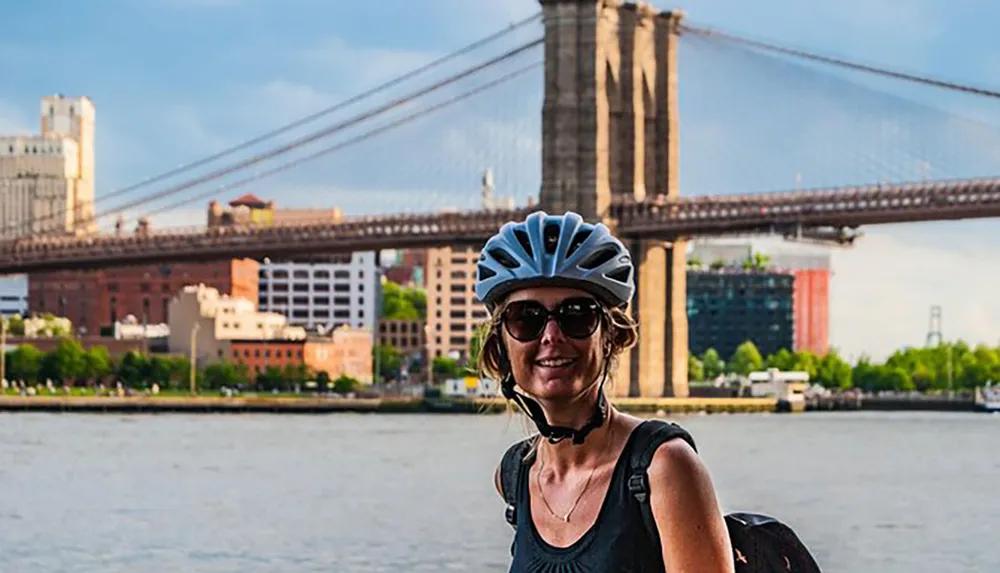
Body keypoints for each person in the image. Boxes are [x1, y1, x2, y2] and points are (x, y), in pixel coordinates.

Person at [475, 211, 735, 573]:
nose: (551, 336)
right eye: (526, 318)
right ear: (501, 347)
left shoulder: (664, 468)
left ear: (611, 338)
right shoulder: (515, 476)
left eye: (577, 315)